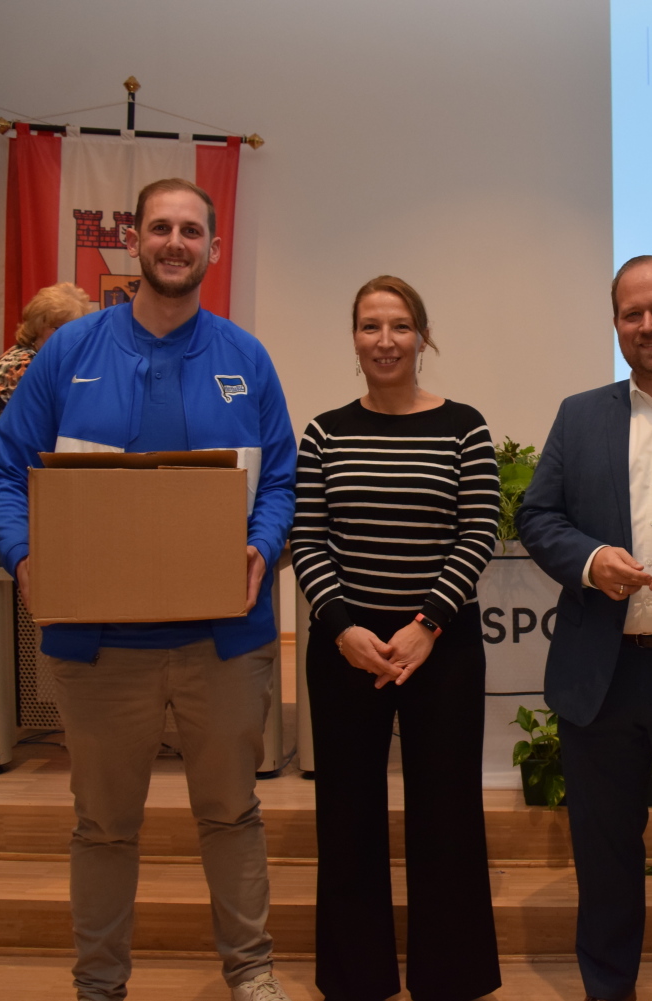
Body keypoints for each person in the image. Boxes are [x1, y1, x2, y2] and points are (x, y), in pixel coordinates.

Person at [0, 178, 298, 1001]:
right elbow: (5, 471)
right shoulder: (69, 353)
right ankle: (99, 984)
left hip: (222, 643)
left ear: (213, 249)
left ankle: (251, 972)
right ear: (135, 240)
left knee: (232, 815)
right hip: (100, 648)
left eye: (191, 230)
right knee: (103, 825)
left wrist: (264, 546)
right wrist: (24, 559)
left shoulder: (246, 358)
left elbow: (282, 481)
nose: (174, 242)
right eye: (160, 227)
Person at [517, 255, 652, 1001]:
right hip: (600, 674)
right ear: (616, 323)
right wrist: (587, 562)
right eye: (631, 313)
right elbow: (537, 516)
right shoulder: (582, 414)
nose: (647, 325)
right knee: (604, 853)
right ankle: (607, 988)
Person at [291, 275, 502, 1001]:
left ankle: (452, 975)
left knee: (447, 811)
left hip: (439, 647)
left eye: (400, 326)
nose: (385, 340)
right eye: (371, 326)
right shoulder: (323, 430)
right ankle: (356, 977)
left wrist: (426, 624)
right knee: (347, 812)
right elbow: (308, 536)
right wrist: (343, 624)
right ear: (354, 339)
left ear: (423, 336)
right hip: (344, 646)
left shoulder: (464, 425)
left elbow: (478, 531)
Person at [0, 282, 90, 527]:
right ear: (38, 327)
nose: (70, 338)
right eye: (60, 329)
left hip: (13, 484)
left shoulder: (30, 359)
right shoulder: (22, 367)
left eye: (76, 330)